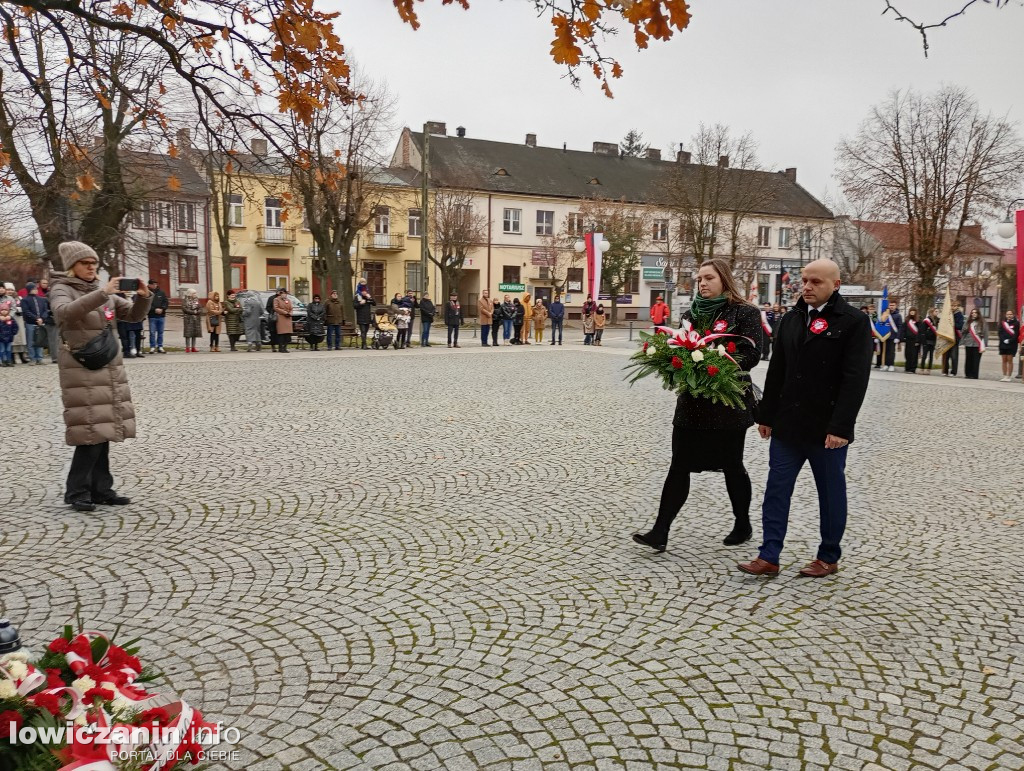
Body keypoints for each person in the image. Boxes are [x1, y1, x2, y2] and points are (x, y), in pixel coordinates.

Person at [737, 259, 872, 578]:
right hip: (787, 425)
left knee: (830, 492)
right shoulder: (792, 319)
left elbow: (855, 379)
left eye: (816, 282)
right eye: (805, 281)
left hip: (826, 430)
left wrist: (841, 427)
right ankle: (769, 555)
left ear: (835, 285)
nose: (807, 287)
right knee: (776, 489)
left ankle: (828, 556)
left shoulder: (853, 322)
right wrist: (765, 415)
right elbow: (778, 370)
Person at [633, 258, 764, 554]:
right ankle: (660, 530)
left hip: (727, 401)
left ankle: (742, 523)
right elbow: (681, 345)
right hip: (693, 402)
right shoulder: (692, 312)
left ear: (724, 280)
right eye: (699, 279)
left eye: (708, 278)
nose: (702, 284)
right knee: (679, 465)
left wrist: (717, 367)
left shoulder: (745, 312)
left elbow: (753, 353)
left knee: (732, 466)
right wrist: (674, 364)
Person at [49, 241, 151, 512]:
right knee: (89, 432)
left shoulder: (100, 290)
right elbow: (64, 315)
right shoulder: (62, 288)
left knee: (103, 431)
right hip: (81, 368)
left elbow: (132, 316)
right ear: (72, 266)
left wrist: (143, 296)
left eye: (93, 263)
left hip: (107, 366)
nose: (91, 267)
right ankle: (77, 491)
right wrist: (102, 293)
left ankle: (102, 489)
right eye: (85, 263)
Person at [20, 282, 50, 364]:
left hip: (40, 323)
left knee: (39, 341)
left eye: (36, 288)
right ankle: (32, 358)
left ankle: (39, 358)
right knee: (31, 341)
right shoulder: (25, 300)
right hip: (30, 323)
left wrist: (42, 318)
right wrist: (36, 318)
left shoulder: (41, 299)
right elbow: (26, 311)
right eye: (33, 289)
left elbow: (45, 310)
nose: (35, 290)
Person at [2, 283, 28, 363]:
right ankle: (11, 357)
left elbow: (22, 307)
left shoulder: (18, 298)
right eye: (8, 290)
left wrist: (19, 309)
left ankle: (21, 355)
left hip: (19, 319)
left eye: (11, 290)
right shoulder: (5, 299)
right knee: (11, 339)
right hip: (8, 319)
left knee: (20, 338)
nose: (10, 291)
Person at [962, 307, 986, 379]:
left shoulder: (982, 322)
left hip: (977, 343)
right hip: (968, 342)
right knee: (968, 358)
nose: (973, 314)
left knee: (976, 359)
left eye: (975, 313)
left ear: (978, 314)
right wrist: (965, 330)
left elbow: (985, 332)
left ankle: (974, 374)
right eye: (972, 313)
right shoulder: (968, 322)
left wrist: (984, 343)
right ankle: (968, 374)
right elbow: (963, 330)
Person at [146, 279, 168, 354]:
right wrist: (154, 309)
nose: (155, 285)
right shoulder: (147, 293)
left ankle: (160, 346)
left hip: (161, 315)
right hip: (152, 315)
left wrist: (162, 308)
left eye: (155, 284)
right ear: (149, 285)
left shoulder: (161, 293)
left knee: (160, 332)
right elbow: (146, 304)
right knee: (152, 332)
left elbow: (165, 302)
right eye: (153, 284)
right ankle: (152, 347)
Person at [942, 302, 964, 376]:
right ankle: (945, 371)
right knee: (946, 355)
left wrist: (952, 323)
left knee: (954, 356)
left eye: (955, 306)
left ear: (957, 306)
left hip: (954, 337)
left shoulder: (959, 315)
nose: (953, 307)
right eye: (952, 305)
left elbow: (960, 326)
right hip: (947, 337)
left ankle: (953, 372)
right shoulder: (947, 314)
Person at [998, 310, 1020, 381]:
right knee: (1004, 360)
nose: (1009, 316)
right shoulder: (1003, 323)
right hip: (1003, 343)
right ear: (1006, 315)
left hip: (1012, 344)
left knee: (1010, 360)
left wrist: (1010, 340)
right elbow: (1000, 332)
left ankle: (1009, 376)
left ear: (1013, 315)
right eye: (1008, 314)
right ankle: (1004, 376)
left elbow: (1016, 334)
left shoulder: (1016, 323)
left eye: (1010, 314)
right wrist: (1003, 339)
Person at [354, 285, 375, 349]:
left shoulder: (367, 297)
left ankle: (363, 344)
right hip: (361, 317)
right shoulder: (357, 297)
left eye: (365, 291)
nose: (364, 292)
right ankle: (364, 344)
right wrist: (360, 303)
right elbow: (355, 306)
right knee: (363, 331)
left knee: (366, 331)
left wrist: (370, 298)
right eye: (363, 291)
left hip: (367, 317)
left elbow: (374, 303)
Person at [182, 288, 203, 353]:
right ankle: (187, 347)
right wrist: (193, 312)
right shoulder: (185, 300)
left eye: (195, 293)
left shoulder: (197, 300)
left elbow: (200, 307)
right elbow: (184, 309)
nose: (195, 294)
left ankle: (193, 347)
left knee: (195, 333)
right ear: (190, 294)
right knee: (188, 333)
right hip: (188, 318)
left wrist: (198, 311)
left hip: (196, 318)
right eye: (194, 293)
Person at [273, 287, 293, 353]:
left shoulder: (288, 300)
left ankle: (285, 347)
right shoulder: (276, 299)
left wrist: (290, 313)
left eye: (285, 293)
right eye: (283, 293)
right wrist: (284, 312)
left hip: (288, 318)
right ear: (280, 294)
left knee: (287, 334)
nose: (284, 295)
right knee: (282, 334)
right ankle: (281, 347)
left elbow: (291, 308)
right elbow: (276, 308)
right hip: (281, 318)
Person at [902, 307, 921, 373]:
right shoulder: (907, 320)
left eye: (913, 311)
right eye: (911, 311)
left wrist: (918, 340)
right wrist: (903, 338)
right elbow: (903, 329)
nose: (912, 312)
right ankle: (907, 367)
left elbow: (920, 332)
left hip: (915, 340)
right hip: (908, 340)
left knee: (914, 355)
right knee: (907, 354)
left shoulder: (918, 321)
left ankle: (913, 368)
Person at [920, 307, 939, 374]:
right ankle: (922, 368)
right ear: (932, 312)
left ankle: (929, 369)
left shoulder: (938, 320)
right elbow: (922, 331)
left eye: (937, 311)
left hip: (933, 340)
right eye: (936, 311)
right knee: (924, 355)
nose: (937, 313)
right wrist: (923, 341)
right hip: (926, 340)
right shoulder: (927, 320)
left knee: (931, 356)